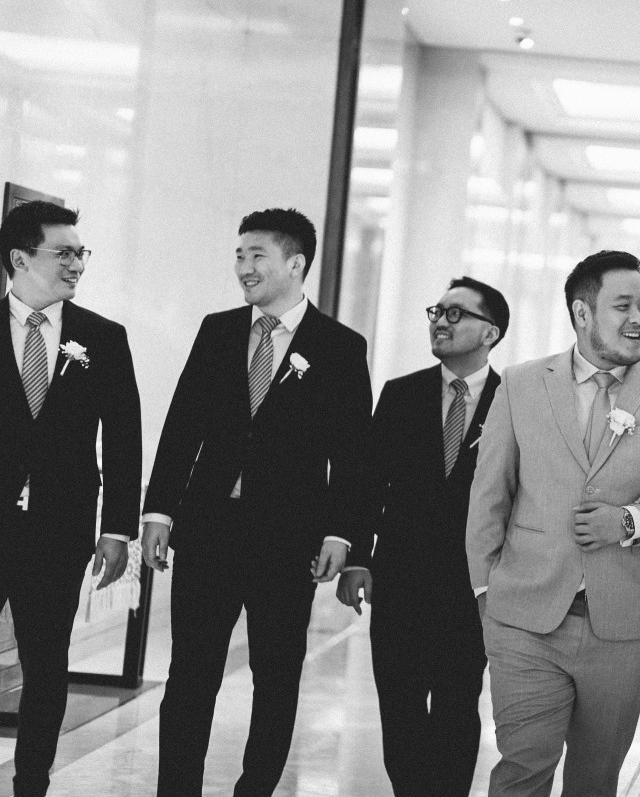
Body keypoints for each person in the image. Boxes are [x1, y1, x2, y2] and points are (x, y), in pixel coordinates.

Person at [466, 250, 640, 797]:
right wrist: (487, 592)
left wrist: (630, 521)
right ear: (582, 313)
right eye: (623, 306)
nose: (639, 318)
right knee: (521, 770)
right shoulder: (521, 384)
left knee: (595, 781)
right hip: (524, 617)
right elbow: (490, 495)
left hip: (623, 625)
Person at [141, 208, 372, 797]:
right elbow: (182, 426)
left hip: (288, 541)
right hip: (209, 530)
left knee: (276, 680)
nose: (244, 267)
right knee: (189, 677)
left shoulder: (341, 347)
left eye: (257, 255)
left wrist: (342, 534)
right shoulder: (217, 331)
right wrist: (159, 510)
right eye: (239, 255)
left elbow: (353, 455)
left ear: (295, 264)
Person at [337, 276, 508, 796]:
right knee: (400, 706)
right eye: (437, 311)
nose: (440, 322)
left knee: (457, 705)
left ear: (490, 333)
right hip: (400, 580)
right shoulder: (402, 393)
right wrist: (357, 558)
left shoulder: (513, 403)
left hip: (473, 589)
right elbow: (368, 483)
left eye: (456, 314)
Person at [0, 201, 141, 797]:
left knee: (46, 662)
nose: (77, 264)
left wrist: (118, 529)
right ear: (19, 258)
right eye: (64, 253)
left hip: (60, 528)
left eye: (81, 253)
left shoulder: (103, 338)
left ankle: (31, 782)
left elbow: (125, 437)